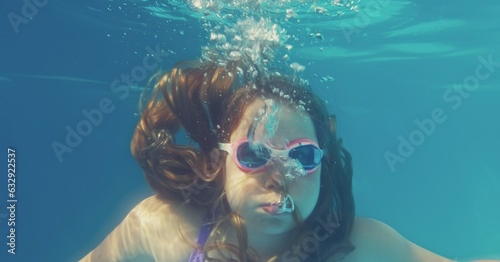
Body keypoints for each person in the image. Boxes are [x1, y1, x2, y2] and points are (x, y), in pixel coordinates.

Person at [80, 59, 454, 261]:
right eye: (254, 153)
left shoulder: (361, 247)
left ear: (323, 165)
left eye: (302, 156)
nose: (279, 177)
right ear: (217, 161)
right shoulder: (164, 226)